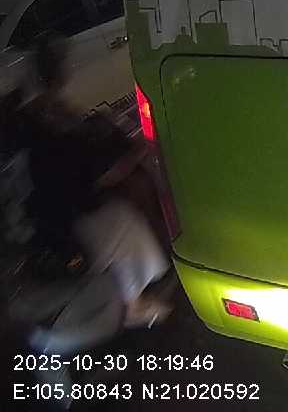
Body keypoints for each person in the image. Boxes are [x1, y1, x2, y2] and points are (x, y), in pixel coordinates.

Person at [14, 36, 171, 336]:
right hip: (65, 220)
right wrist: (132, 157)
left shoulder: (40, 109)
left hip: (52, 208)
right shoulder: (48, 119)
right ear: (56, 72)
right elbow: (88, 178)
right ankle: (134, 306)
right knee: (127, 222)